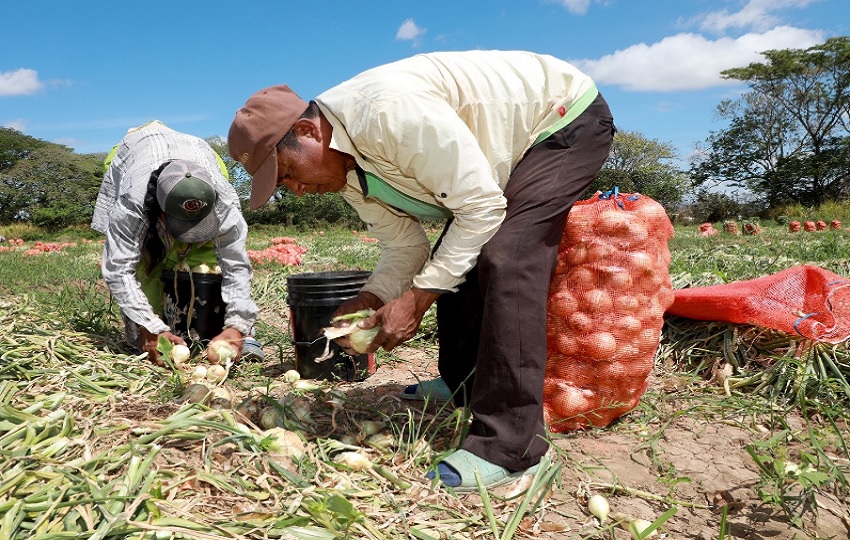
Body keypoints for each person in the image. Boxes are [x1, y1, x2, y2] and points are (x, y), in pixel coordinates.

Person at [228, 50, 615, 491]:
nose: (297, 190)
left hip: (560, 119)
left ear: (307, 131)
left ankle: (513, 449)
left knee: (506, 257)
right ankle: (463, 382)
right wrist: (372, 297)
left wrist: (417, 300)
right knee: (461, 253)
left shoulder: (386, 115)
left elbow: (480, 207)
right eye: (284, 186)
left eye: (290, 173)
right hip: (491, 164)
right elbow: (404, 243)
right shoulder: (345, 170)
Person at [92, 120, 263, 366]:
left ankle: (231, 334)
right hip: (137, 156)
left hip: (198, 153)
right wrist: (150, 326)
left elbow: (236, 266)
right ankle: (153, 334)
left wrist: (238, 325)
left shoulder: (225, 202)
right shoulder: (132, 204)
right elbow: (120, 270)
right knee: (147, 262)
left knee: (206, 263)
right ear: (160, 212)